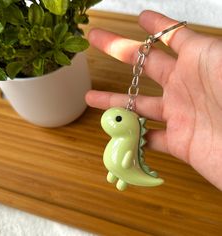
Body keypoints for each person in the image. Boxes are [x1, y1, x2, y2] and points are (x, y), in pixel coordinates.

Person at [85, 10, 222, 191]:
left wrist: (125, 165)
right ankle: (119, 176)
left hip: (123, 166)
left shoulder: (128, 136)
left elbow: (128, 158)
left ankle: (123, 177)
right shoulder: (126, 136)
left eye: (117, 119)